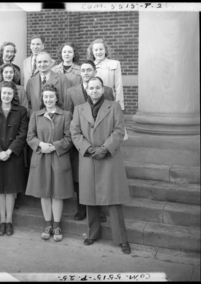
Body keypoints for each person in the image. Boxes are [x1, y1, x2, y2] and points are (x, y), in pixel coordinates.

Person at [70, 76, 132, 254]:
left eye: (97, 88)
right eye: (91, 88)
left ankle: (121, 239)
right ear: (87, 90)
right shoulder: (79, 108)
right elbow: (75, 132)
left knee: (113, 199)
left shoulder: (114, 107)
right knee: (90, 199)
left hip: (109, 158)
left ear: (102, 89)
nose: (94, 91)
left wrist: (105, 148)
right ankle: (92, 233)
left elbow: (119, 131)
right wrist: (87, 148)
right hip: (88, 157)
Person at [65, 60, 114, 222]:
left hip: (100, 141)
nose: (86, 72)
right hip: (79, 141)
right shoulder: (72, 91)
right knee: (80, 177)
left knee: (99, 176)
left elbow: (112, 117)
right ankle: (81, 208)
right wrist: (75, 140)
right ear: (80, 73)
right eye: (83, 70)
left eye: (89, 70)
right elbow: (68, 115)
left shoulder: (106, 91)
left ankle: (99, 209)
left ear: (94, 72)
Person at [26, 84, 74, 242]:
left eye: (51, 96)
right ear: (42, 98)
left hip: (59, 157)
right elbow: (30, 136)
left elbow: (69, 137)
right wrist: (40, 145)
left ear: (56, 98)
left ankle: (57, 224)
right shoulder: (36, 115)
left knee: (57, 192)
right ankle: (47, 224)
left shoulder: (66, 115)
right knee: (44, 192)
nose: (48, 99)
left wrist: (55, 146)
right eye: (45, 97)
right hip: (41, 157)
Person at [0, 81, 28, 237]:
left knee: (11, 189)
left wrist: (9, 151)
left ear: (14, 95)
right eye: (4, 93)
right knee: (0, 189)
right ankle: (2, 221)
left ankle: (10, 221)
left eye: (9, 93)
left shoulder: (21, 111)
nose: (6, 96)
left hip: (13, 155)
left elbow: (22, 134)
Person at [26, 51, 69, 116]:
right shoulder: (30, 82)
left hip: (57, 120)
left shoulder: (62, 79)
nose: (42, 64)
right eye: (39, 62)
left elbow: (67, 102)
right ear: (36, 64)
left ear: (51, 63)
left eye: (45, 61)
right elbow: (29, 104)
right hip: (38, 120)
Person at [86, 38, 124, 111]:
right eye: (96, 50)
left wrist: (119, 105)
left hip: (109, 100)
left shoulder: (115, 64)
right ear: (92, 52)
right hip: (93, 101)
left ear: (105, 50)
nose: (99, 52)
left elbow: (118, 87)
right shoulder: (89, 66)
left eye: (101, 49)